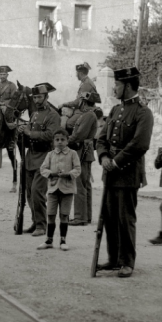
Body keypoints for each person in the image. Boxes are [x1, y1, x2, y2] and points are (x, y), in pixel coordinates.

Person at [96, 67, 154, 278]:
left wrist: (116, 162)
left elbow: (140, 144)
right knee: (109, 217)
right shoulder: (114, 111)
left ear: (128, 86)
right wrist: (103, 157)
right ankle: (113, 259)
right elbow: (101, 138)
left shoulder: (143, 112)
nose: (114, 87)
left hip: (127, 174)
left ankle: (127, 261)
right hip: (110, 173)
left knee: (125, 218)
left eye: (118, 84)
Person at [17, 82, 61, 237]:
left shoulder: (53, 115)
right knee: (29, 193)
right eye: (34, 97)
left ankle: (42, 226)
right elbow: (29, 133)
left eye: (39, 97)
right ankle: (36, 222)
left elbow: (50, 136)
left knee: (37, 192)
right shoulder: (34, 114)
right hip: (31, 157)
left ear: (46, 97)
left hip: (45, 158)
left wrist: (29, 133)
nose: (36, 100)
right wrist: (22, 132)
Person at [38, 129, 81, 251]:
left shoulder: (73, 154)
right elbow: (43, 169)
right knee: (50, 214)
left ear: (67, 141)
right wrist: (52, 173)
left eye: (63, 139)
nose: (60, 142)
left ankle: (63, 239)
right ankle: (49, 240)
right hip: (53, 189)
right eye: (57, 140)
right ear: (53, 141)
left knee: (64, 215)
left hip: (67, 190)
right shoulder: (50, 154)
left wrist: (68, 174)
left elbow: (78, 169)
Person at [67, 91, 101, 226]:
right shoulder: (89, 115)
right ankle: (85, 216)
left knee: (80, 185)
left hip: (82, 151)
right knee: (85, 184)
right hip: (84, 151)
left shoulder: (87, 115)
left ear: (83, 101)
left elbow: (79, 135)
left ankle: (80, 217)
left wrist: (65, 140)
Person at [59, 63, 98, 130]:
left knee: (69, 124)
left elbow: (78, 102)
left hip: (85, 111)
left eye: (77, 73)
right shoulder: (86, 82)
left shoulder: (86, 84)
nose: (76, 75)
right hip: (83, 109)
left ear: (80, 73)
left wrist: (64, 104)